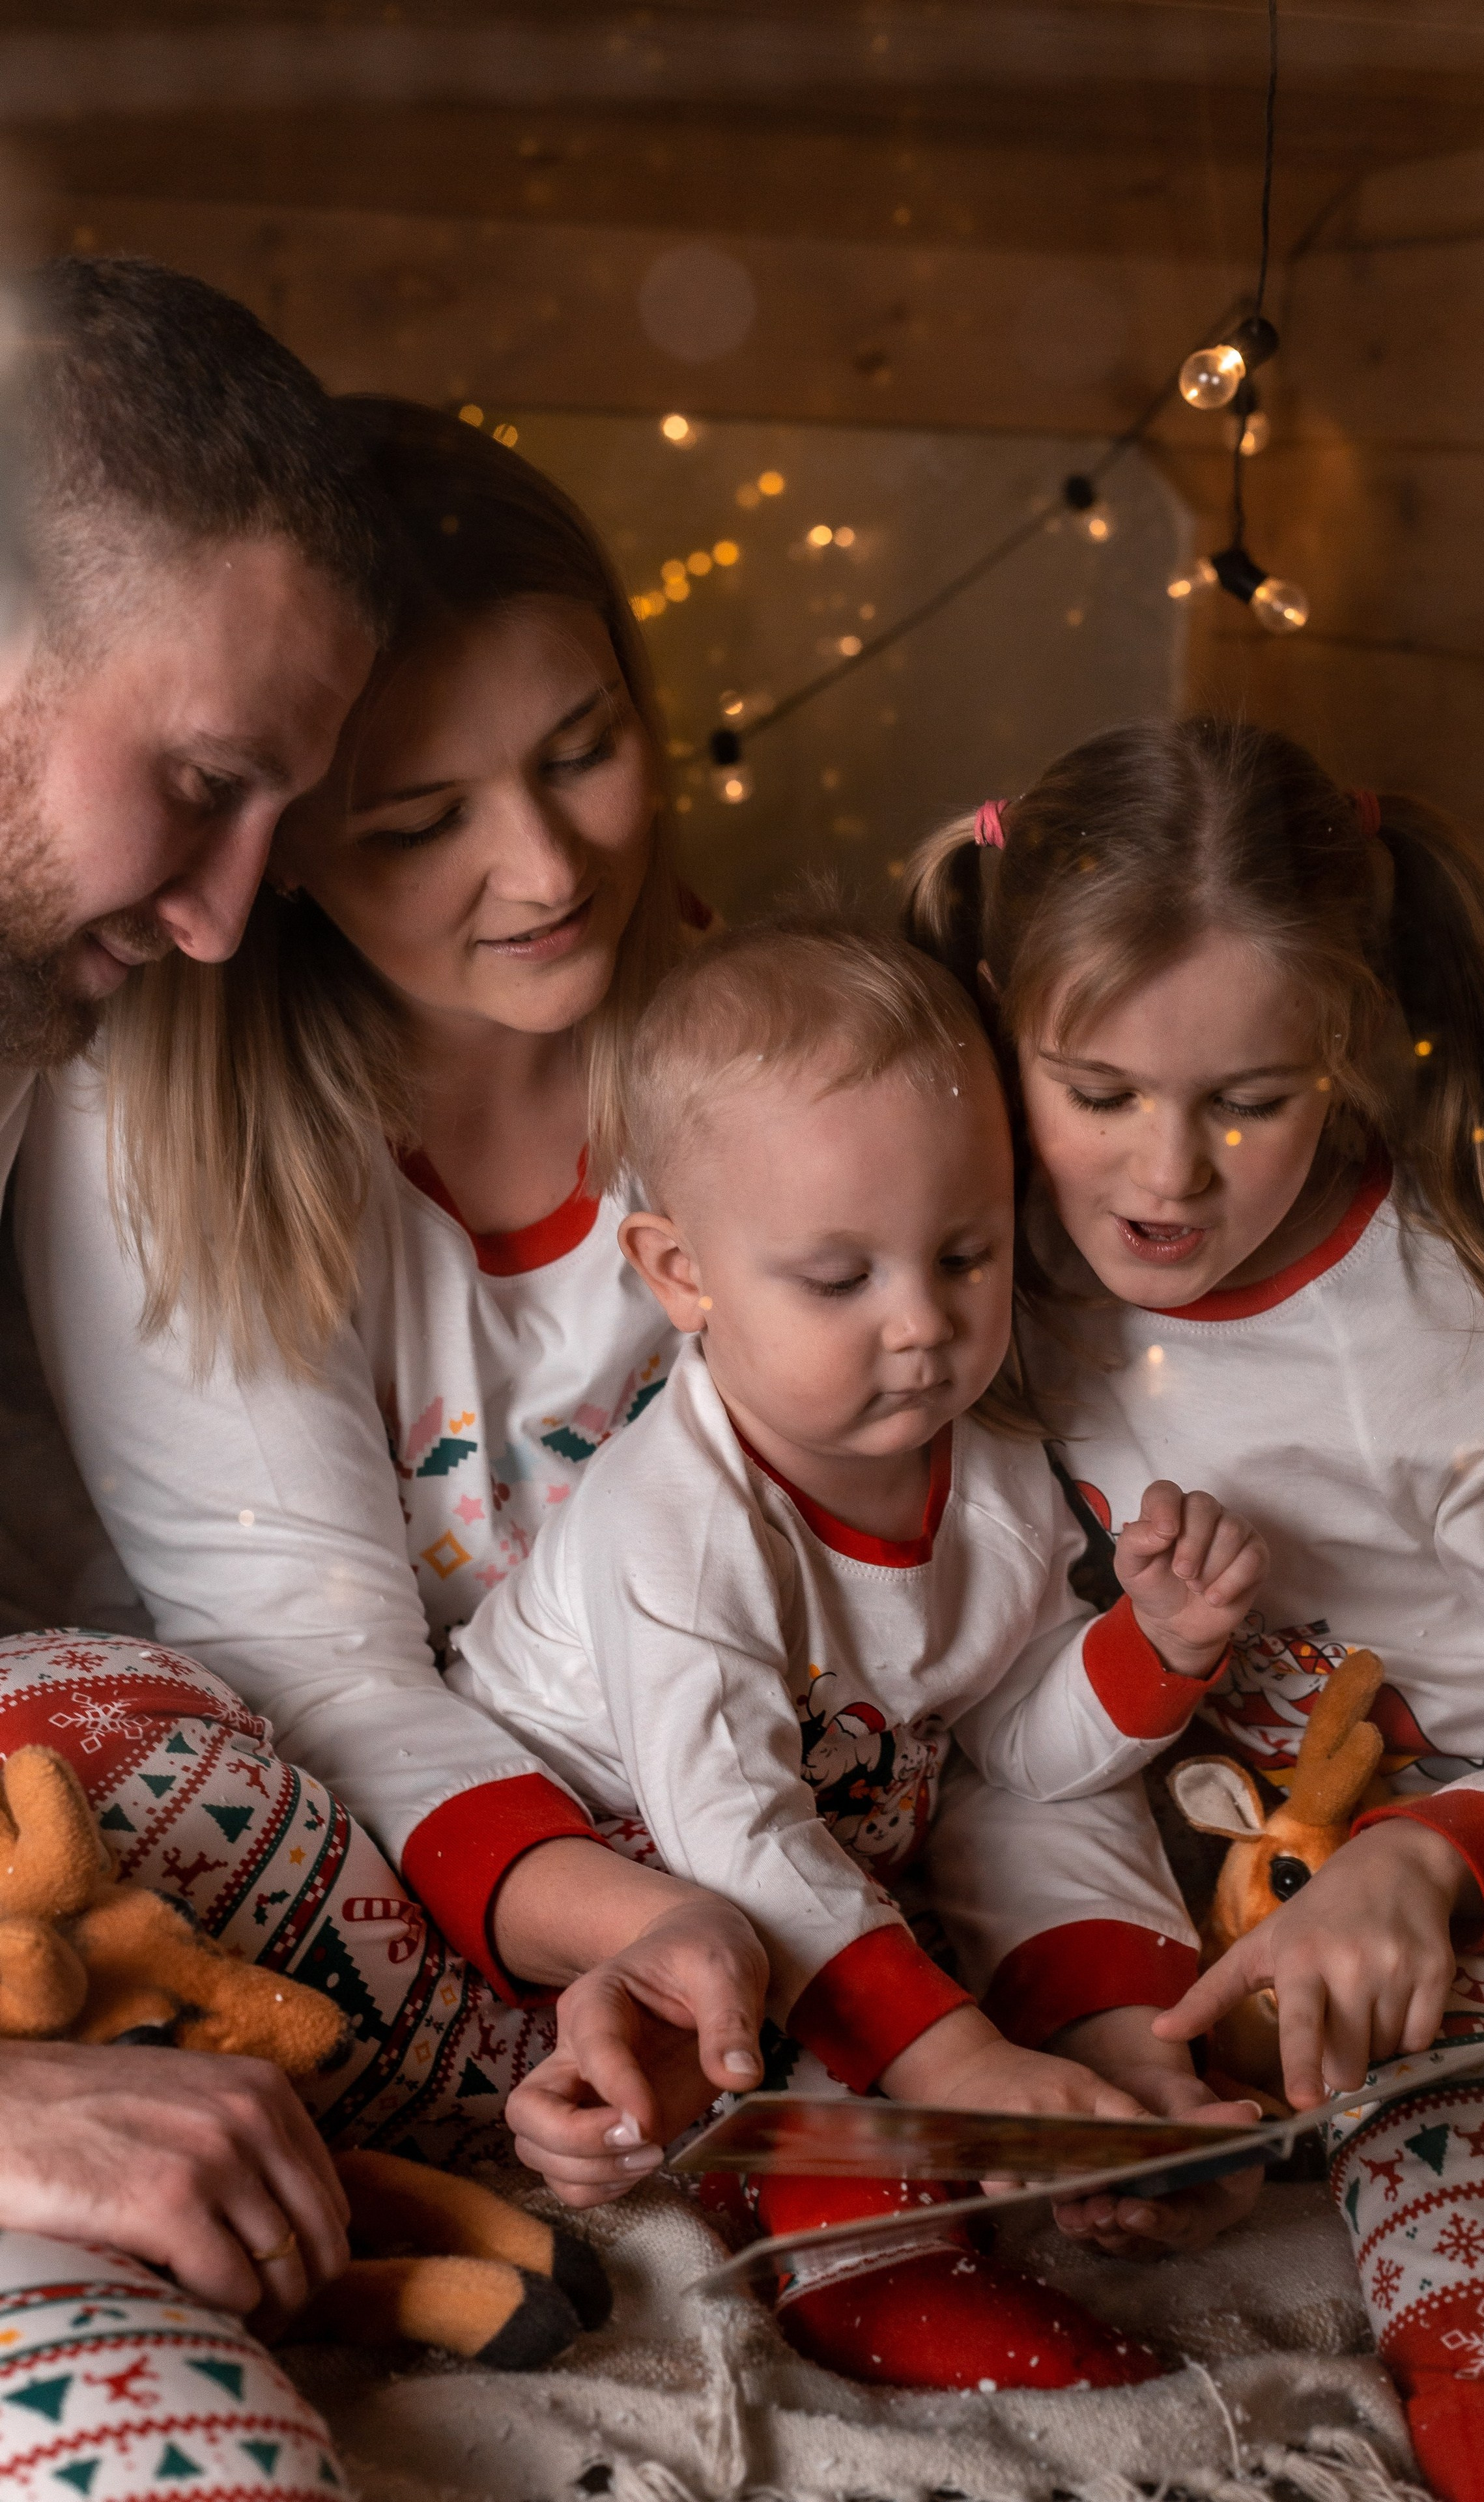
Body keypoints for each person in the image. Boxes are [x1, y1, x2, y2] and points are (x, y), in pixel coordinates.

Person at [1, 277, 763, 2498]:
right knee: (112, 1720)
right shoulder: (124, 1071)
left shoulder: (42, 1007)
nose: (228, 914)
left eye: (284, 806)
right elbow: (278, 1663)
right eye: (209, 786)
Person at [902, 717, 1484, 2502]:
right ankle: (1152, 2083)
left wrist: (1428, 1868)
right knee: (972, 1794)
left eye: (1246, 1101)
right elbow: (1016, 1732)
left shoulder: (1445, 1351)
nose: (1164, 1179)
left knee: (1456, 2127)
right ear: (1000, 1033)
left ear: (1344, 1050)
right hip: (1188, 1844)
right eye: (1098, 1093)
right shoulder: (989, 1272)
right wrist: (1127, 2019)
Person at [450, 912, 1266, 2391]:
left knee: (1028, 1865)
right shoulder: (675, 1522)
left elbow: (1013, 1745)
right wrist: (955, 2061)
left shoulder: (994, 1473)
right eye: (839, 1281)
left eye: (963, 1254)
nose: (922, 1327)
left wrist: (1151, 1650)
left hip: (835, 1840)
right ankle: (880, 2278)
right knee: (788, 2010)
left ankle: (1114, 2105)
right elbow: (739, 1841)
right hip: (610, 1863)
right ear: (681, 1272)